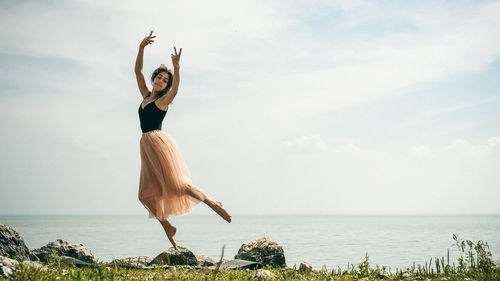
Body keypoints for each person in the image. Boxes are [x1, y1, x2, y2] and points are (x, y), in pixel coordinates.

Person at [135, 30, 231, 250]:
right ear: (154, 78)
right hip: (146, 146)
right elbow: (137, 70)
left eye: (165, 80)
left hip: (157, 144)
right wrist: (141, 48)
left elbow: (176, 89)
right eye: (159, 77)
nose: (161, 80)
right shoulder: (146, 96)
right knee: (144, 196)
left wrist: (176, 69)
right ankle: (168, 226)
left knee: (178, 185)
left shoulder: (162, 102)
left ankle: (212, 203)